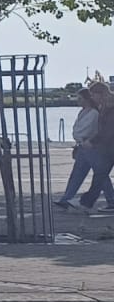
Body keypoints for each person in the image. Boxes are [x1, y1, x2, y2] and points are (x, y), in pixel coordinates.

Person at [54, 88, 100, 208]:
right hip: (82, 147)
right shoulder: (83, 112)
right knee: (76, 175)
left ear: (86, 99)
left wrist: (79, 137)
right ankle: (66, 198)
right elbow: (76, 129)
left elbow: (83, 130)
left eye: (80, 98)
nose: (78, 101)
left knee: (101, 176)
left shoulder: (94, 113)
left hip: (90, 147)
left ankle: (111, 199)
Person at [76, 81, 114, 212]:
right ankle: (87, 203)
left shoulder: (110, 108)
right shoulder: (105, 107)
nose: (91, 97)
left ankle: (86, 203)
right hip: (108, 148)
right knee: (100, 175)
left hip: (110, 148)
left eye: (93, 94)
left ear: (100, 94)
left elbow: (108, 131)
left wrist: (93, 142)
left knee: (100, 175)